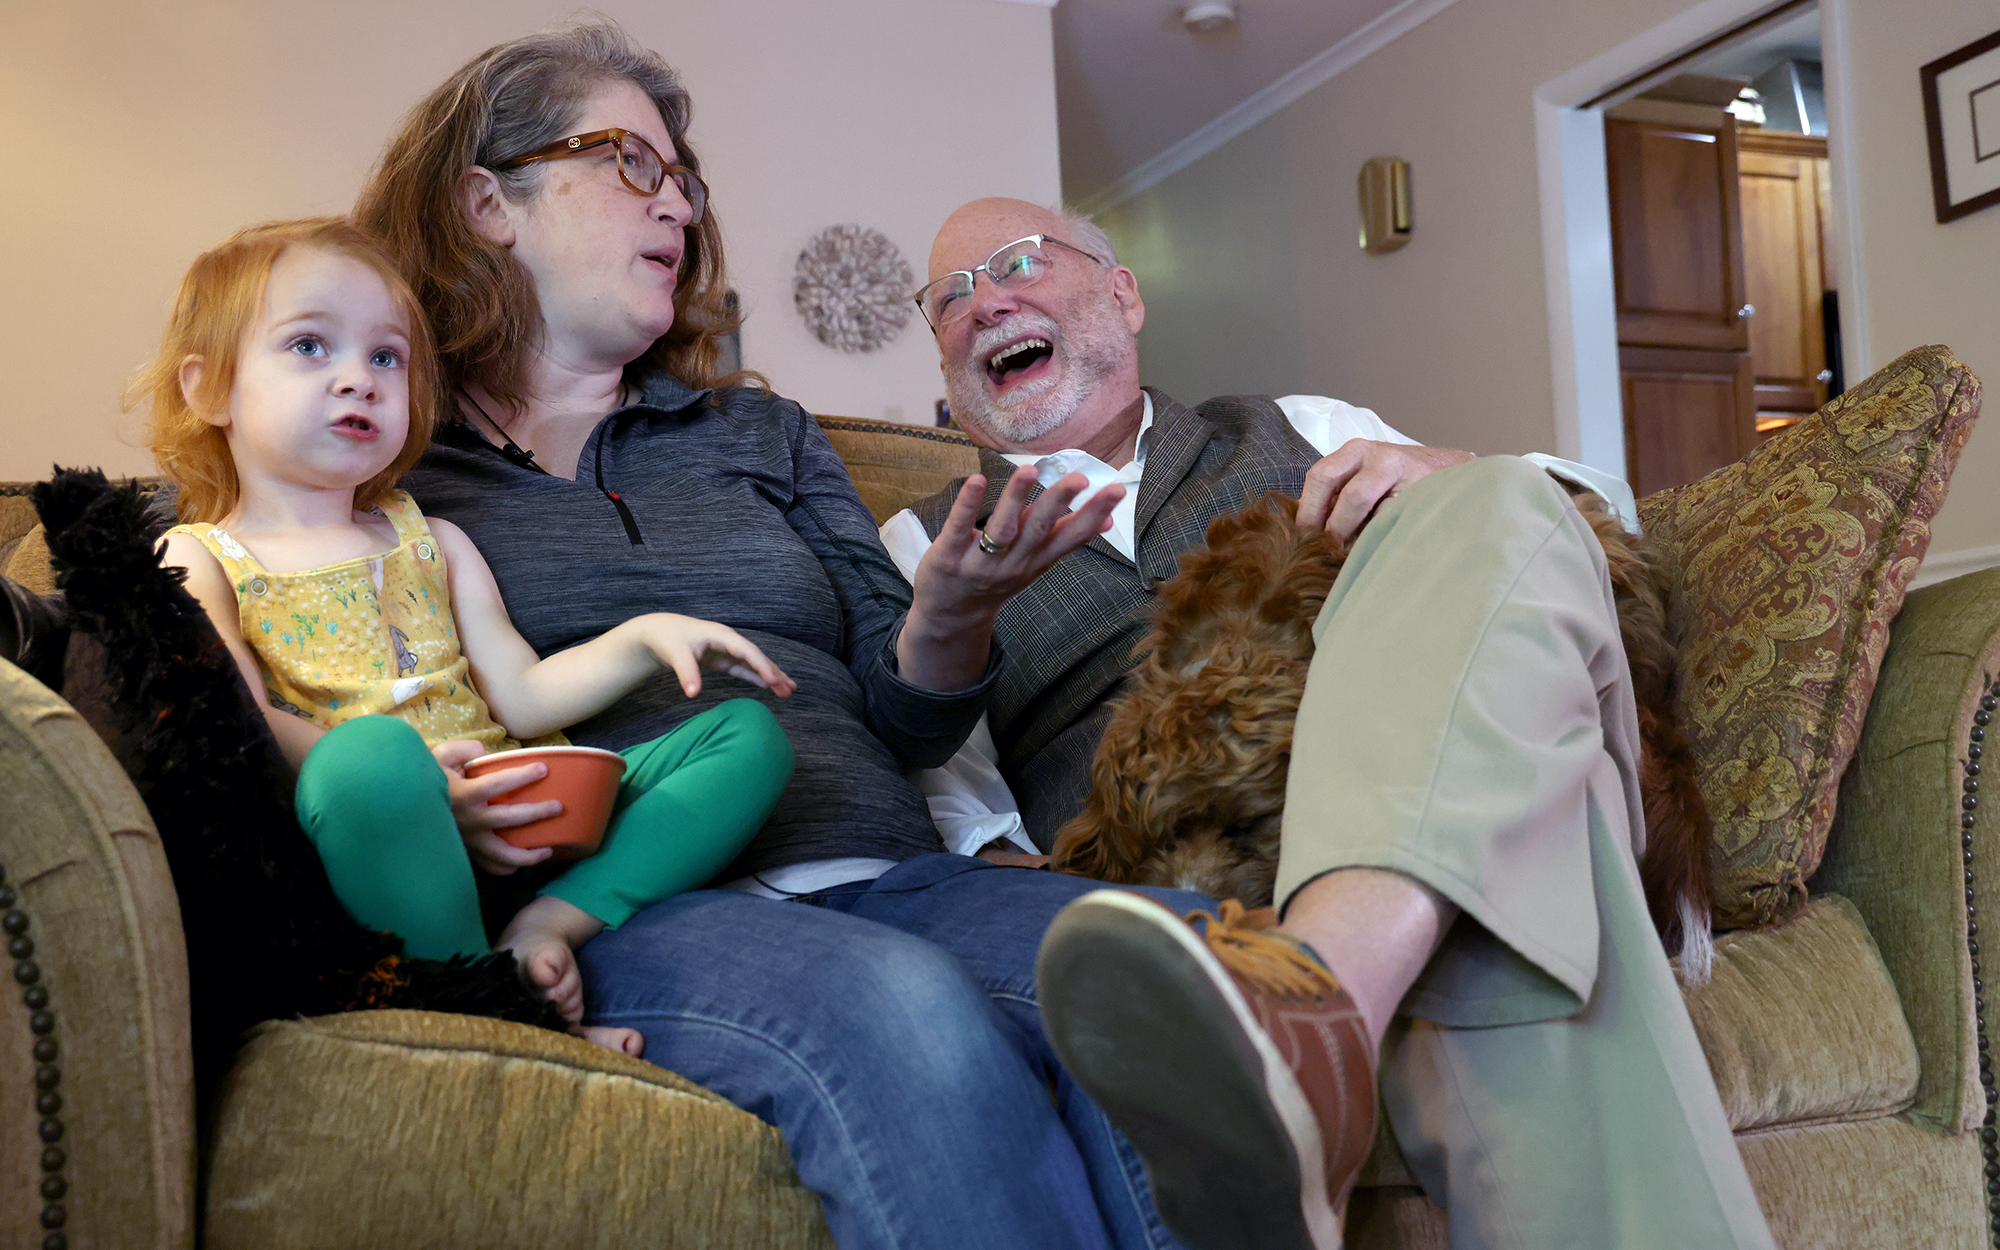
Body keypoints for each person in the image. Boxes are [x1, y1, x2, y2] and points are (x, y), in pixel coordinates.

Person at [356, 22, 1240, 1250]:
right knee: (902, 1010)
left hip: (885, 870)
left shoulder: (757, 436)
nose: (678, 202)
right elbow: (323, 671)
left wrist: (947, 613)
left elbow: (904, 707)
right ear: (487, 200)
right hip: (638, 903)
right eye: (632, 162)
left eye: (684, 177)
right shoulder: (393, 471)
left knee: (1180, 958)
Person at [887, 197, 1775, 1250]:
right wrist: (946, 625)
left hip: (1418, 759)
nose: (985, 301)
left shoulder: (1298, 422)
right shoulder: (923, 542)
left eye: (1017, 263)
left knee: (1495, 501)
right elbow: (957, 818)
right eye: (950, 297)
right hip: (1189, 867)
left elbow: (1579, 531)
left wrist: (1457, 472)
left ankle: (1314, 1015)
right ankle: (1328, 994)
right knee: (1521, 861)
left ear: (1122, 296)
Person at [144, 217, 798, 1056]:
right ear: (209, 390)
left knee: (748, 736)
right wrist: (424, 787)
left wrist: (644, 635)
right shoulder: (197, 556)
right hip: (382, 837)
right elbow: (234, 719)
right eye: (310, 346)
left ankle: (543, 930)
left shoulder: (430, 539)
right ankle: (484, 1011)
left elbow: (523, 695)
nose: (359, 380)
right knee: (369, 755)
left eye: (385, 357)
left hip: (520, 814)